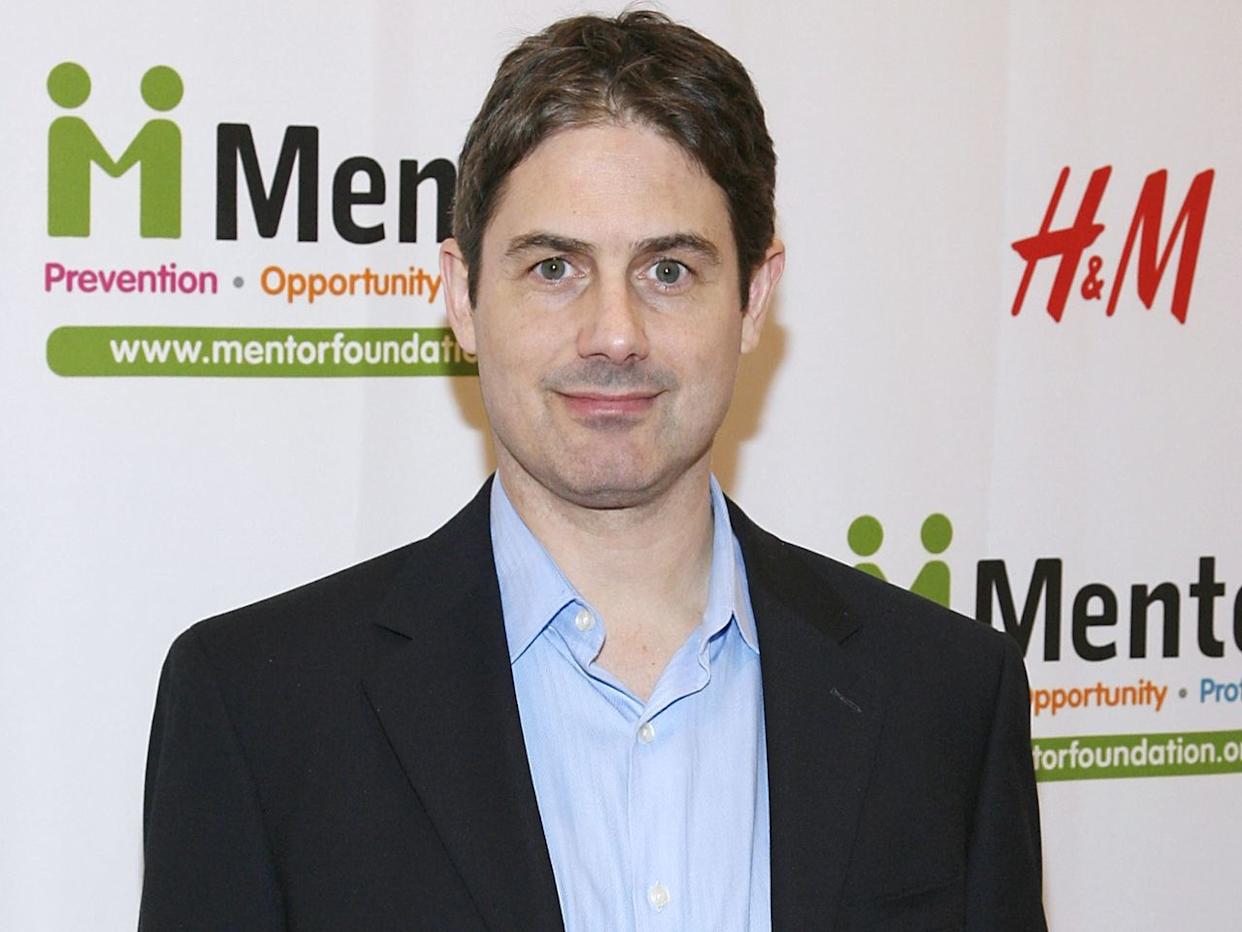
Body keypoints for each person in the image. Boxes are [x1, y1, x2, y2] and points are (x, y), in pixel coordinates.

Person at [139, 11, 1046, 931]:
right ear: (461, 295)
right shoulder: (259, 708)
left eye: (669, 271)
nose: (614, 334)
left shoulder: (945, 699)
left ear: (754, 296)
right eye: (554, 266)